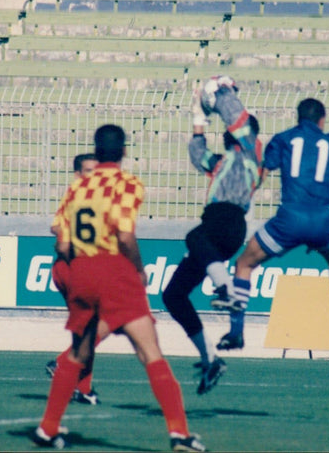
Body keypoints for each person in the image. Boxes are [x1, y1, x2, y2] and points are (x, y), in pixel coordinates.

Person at [32, 125, 205, 452]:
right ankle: (180, 434)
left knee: (78, 352)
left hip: (80, 270)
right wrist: (138, 270)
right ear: (123, 151)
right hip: (113, 270)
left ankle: (48, 427)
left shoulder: (78, 186)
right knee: (149, 351)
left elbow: (64, 241)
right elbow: (125, 235)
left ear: (95, 152)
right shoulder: (128, 183)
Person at [213, 98, 329, 351]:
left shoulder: (283, 139)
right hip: (323, 219)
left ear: (298, 117)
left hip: (289, 218)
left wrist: (241, 196)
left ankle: (236, 332)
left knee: (244, 263)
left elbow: (262, 175)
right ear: (322, 120)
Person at [162, 76, 263, 395]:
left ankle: (226, 287)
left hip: (228, 220)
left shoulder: (252, 152)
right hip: (218, 228)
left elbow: (236, 117)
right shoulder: (222, 161)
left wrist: (222, 91)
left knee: (193, 238)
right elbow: (197, 155)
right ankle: (210, 357)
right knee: (173, 295)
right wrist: (198, 118)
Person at [44, 152, 101, 405]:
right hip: (73, 269)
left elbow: (55, 226)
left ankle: (83, 389)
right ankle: (62, 364)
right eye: (89, 171)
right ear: (78, 174)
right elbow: (58, 232)